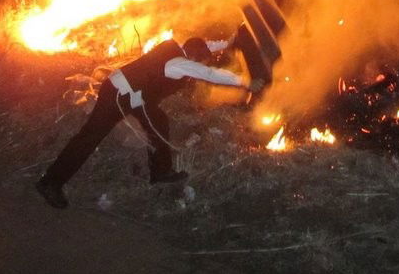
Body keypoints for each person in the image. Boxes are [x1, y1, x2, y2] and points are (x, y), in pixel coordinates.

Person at [36, 36, 259, 209]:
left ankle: (161, 172)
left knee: (158, 120)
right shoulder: (179, 63)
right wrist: (245, 82)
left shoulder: (178, 46)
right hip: (122, 95)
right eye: (199, 59)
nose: (199, 63)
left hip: (130, 93)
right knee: (90, 137)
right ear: (192, 56)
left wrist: (229, 42)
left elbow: (205, 44)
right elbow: (208, 73)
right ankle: (50, 183)